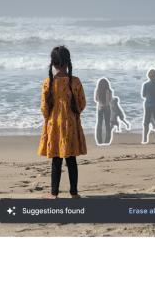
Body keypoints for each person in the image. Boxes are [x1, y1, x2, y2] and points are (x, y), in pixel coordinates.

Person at [38, 45, 87, 199]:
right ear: (68, 62)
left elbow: (44, 108)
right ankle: (74, 193)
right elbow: (82, 103)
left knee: (56, 160)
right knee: (71, 159)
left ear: (53, 63)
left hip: (54, 126)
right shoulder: (75, 81)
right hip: (71, 125)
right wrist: (73, 113)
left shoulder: (48, 82)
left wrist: (50, 118)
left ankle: (54, 193)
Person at [141, 68, 155, 144]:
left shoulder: (146, 85)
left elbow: (143, 95)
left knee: (146, 122)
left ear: (149, 76)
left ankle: (145, 138)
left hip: (148, 104)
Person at [94, 77, 113, 145]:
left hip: (100, 108)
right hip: (107, 108)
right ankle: (107, 141)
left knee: (99, 124)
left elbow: (96, 99)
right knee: (107, 124)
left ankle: (99, 141)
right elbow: (110, 100)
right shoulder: (109, 90)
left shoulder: (98, 90)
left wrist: (101, 102)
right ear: (107, 84)